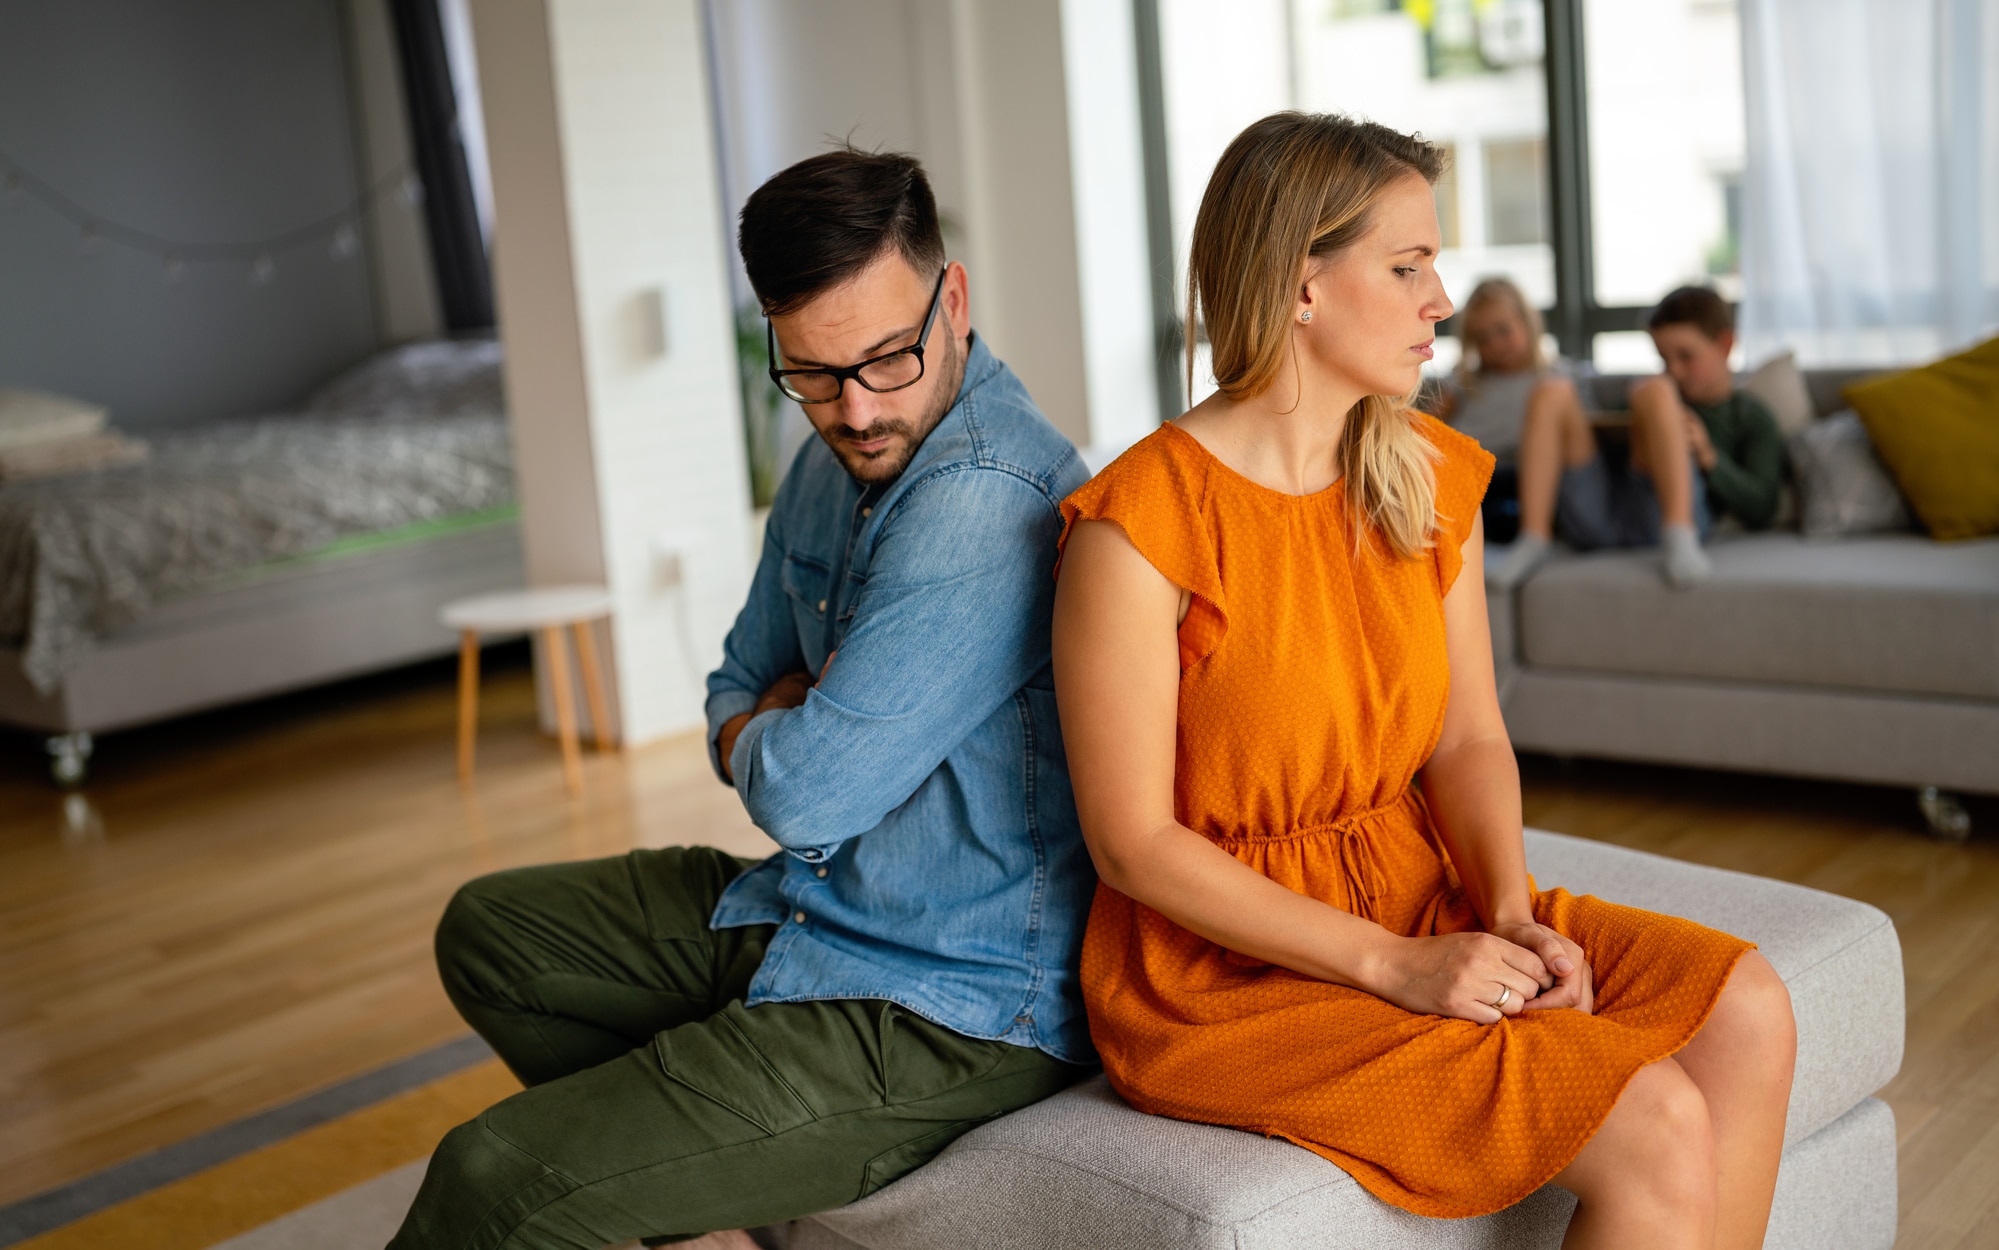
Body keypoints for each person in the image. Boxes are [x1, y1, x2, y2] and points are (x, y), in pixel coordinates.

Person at [1052, 113, 1795, 1249]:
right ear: (1302, 284)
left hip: (1417, 888)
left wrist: (1506, 910)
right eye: (1406, 267)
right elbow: (1131, 844)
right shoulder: (1138, 527)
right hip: (1225, 972)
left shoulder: (1423, 476)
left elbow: (1466, 740)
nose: (1439, 299)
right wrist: (1400, 966)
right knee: (1650, 1122)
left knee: (1748, 1008)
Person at [389, 148, 1096, 1248]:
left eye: (886, 359)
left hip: (947, 1002)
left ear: (951, 299)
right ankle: (689, 1204)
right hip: (814, 911)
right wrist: (775, 722)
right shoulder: (833, 460)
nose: (855, 410)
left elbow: (804, 794)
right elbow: (731, 681)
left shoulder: (984, 499)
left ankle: (650, 1180)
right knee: (492, 930)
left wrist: (775, 732)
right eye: (812, 372)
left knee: (494, 1174)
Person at [1491, 286, 1785, 588]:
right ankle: (1533, 538)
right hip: (1601, 513)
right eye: (1664, 357)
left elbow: (1763, 508)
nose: (1674, 370)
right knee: (1551, 390)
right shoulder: (1654, 391)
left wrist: (1709, 457)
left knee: (1655, 390)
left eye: (1685, 356)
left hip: (1660, 519)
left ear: (1725, 344)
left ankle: (1679, 533)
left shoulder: (1751, 416)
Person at [1430, 277, 1579, 542]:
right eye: (1483, 338)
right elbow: (1425, 430)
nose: (1495, 345)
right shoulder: (1462, 385)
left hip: (1524, 480)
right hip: (1470, 481)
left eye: (1503, 330)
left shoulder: (1556, 379)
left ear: (1527, 323)